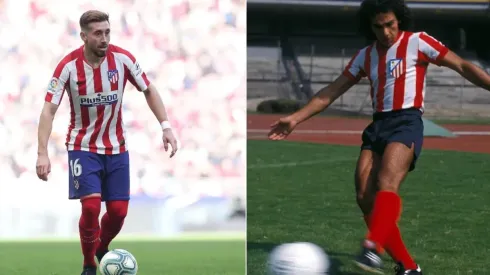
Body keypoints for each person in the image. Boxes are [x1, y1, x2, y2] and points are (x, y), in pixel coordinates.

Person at [268, 0, 490, 274]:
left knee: (387, 181)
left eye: (390, 25)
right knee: (364, 195)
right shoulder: (365, 56)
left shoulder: (418, 42)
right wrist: (295, 118)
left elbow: (463, 66)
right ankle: (408, 267)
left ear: (400, 21)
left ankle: (373, 246)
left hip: (406, 122)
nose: (385, 32)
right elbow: (332, 90)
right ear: (369, 27)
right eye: (378, 26)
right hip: (378, 126)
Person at [35, 10, 178, 275]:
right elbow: (48, 111)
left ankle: (102, 247)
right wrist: (42, 153)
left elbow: (149, 89)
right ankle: (89, 263)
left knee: (119, 212)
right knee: (90, 206)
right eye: (98, 33)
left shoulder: (122, 59)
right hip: (82, 147)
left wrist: (166, 126)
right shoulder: (67, 67)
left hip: (117, 148)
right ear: (84, 36)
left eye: (107, 32)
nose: (104, 38)